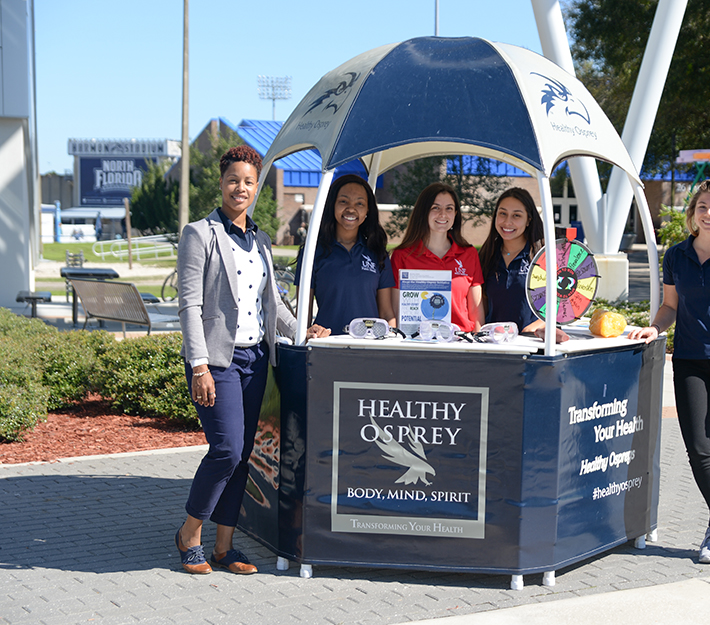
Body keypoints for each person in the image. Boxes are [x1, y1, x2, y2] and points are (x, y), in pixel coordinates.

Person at [174, 146, 324, 575]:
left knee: (243, 453)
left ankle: (225, 546)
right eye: (233, 180)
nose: (240, 187)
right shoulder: (198, 234)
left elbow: (270, 303)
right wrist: (198, 364)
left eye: (248, 182)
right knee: (224, 449)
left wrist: (301, 330)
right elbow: (188, 306)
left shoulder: (260, 239)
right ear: (221, 184)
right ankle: (190, 533)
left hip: (256, 359)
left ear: (258, 188)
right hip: (216, 361)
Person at [629, 179, 710, 566]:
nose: (709, 214)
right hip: (689, 361)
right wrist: (655, 328)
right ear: (692, 213)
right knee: (699, 450)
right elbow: (670, 306)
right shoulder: (677, 256)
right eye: (702, 206)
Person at [296, 174, 395, 336]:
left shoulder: (378, 254)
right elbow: (302, 314)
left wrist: (390, 341)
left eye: (360, 203)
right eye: (343, 201)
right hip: (327, 347)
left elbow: (386, 314)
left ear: (368, 210)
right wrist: (305, 336)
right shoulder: (311, 253)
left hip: (370, 349)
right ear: (332, 205)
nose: (351, 208)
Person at [478, 187, 568, 342]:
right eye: (503, 213)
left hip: (532, 346)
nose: (507, 222)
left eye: (516, 215)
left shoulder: (545, 257)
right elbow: (482, 306)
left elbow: (563, 305)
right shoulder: (486, 256)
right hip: (493, 347)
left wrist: (537, 326)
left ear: (529, 220)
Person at [391, 182, 484, 332]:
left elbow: (476, 310)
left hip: (461, 343)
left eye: (449, 208)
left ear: (455, 214)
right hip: (417, 344)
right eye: (435, 208)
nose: (443, 214)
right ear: (423, 212)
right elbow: (397, 311)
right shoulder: (402, 256)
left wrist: (479, 345)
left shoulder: (469, 254)